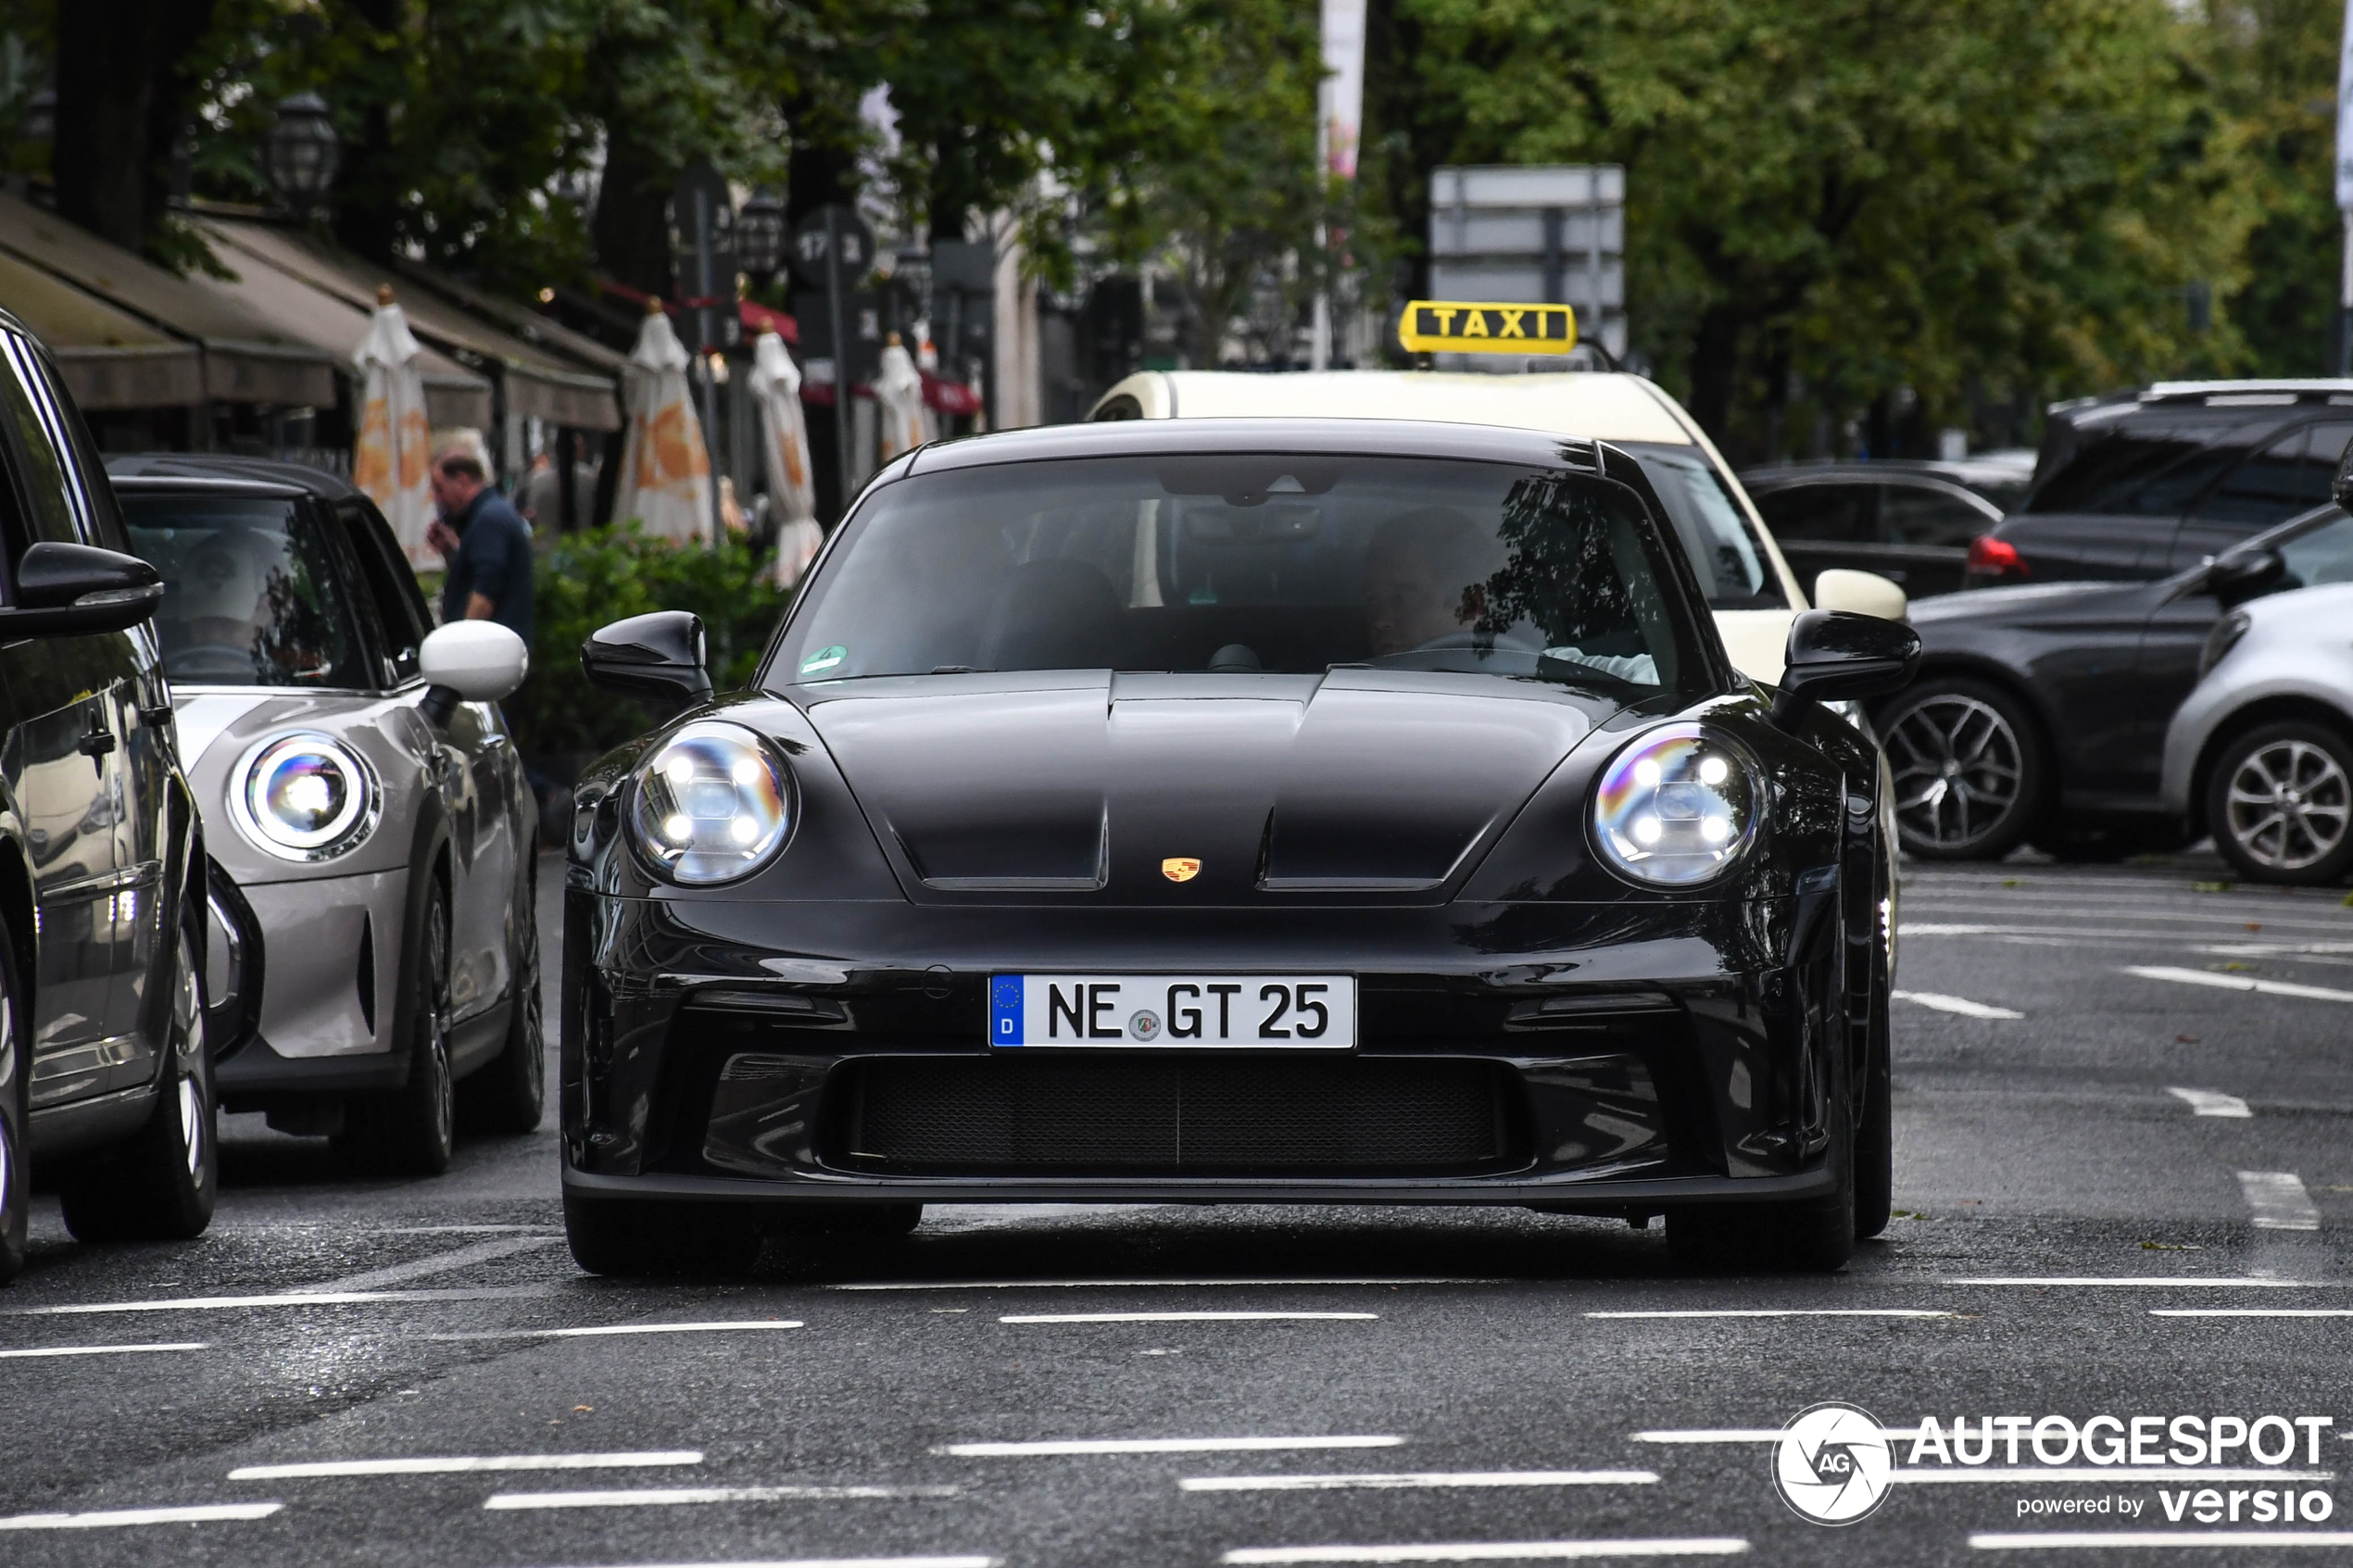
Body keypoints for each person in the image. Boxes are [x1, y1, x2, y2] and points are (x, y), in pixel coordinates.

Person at [426, 450, 535, 646]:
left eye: (440, 488)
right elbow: (477, 573)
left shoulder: (489, 519)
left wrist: (461, 646)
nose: (437, 498)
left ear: (462, 480)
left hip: (490, 654)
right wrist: (451, 554)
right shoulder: (489, 514)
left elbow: (485, 593)